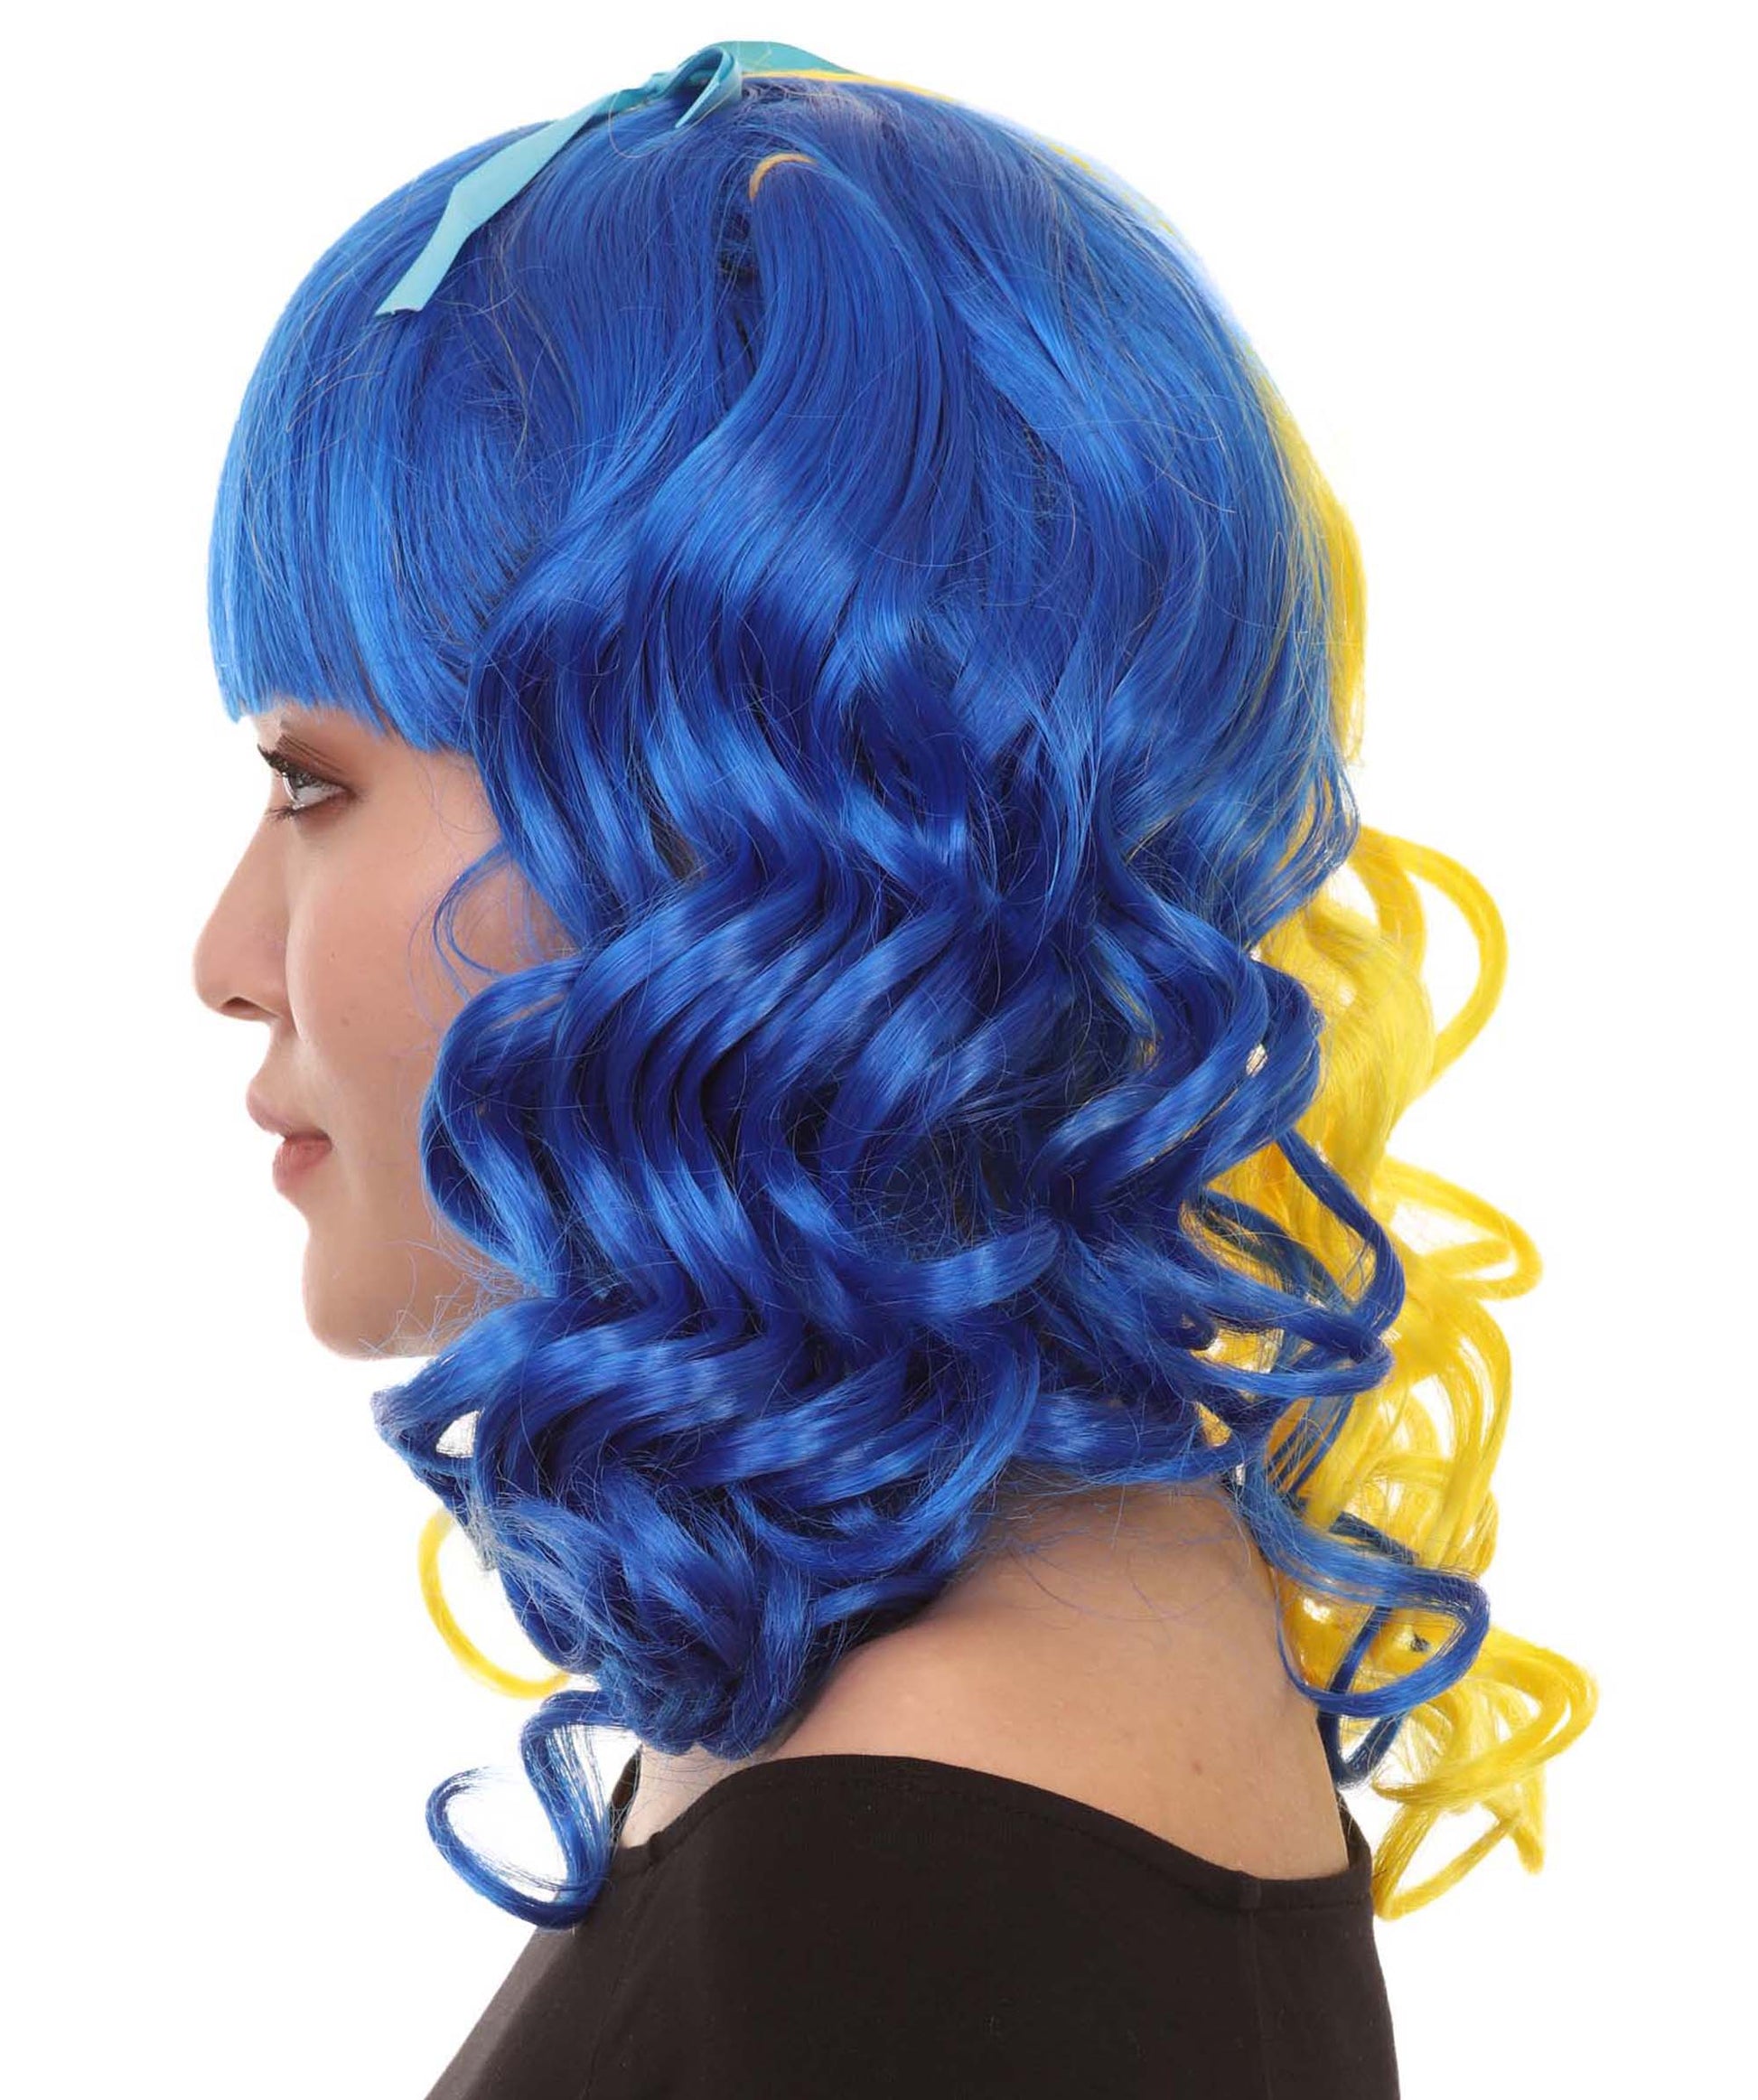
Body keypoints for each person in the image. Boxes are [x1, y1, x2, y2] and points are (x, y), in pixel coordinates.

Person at [192, 40, 1594, 2095]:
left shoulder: (909, 1876)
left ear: (701, 826)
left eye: (312, 782)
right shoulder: (983, 1710)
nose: (224, 961)